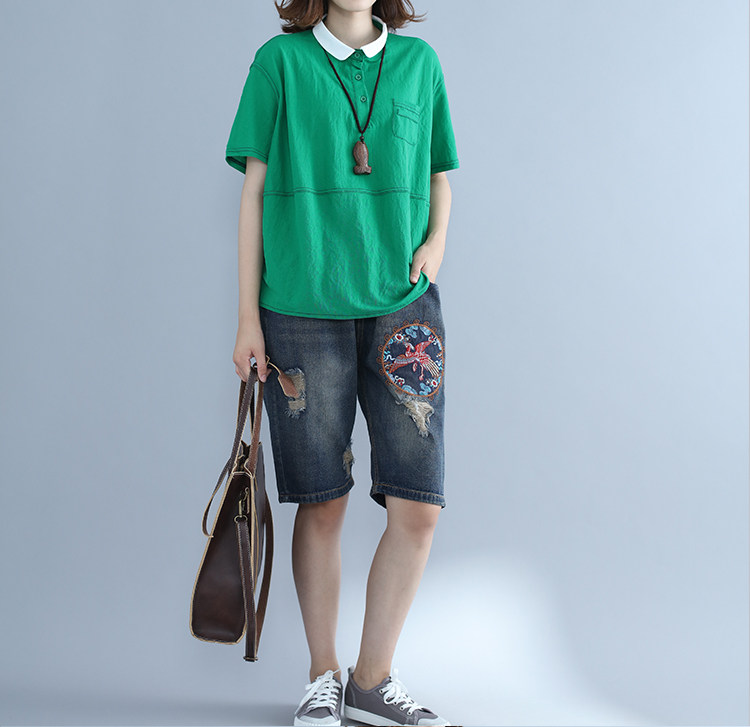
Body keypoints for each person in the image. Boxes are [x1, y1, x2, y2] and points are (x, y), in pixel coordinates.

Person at [225, 0, 459, 724]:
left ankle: (372, 680)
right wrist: (246, 318)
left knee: (418, 506)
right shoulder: (280, 62)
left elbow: (440, 172)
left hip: (403, 309)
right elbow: (253, 191)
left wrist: (436, 242)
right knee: (322, 501)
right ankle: (323, 674)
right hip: (301, 307)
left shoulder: (419, 64)